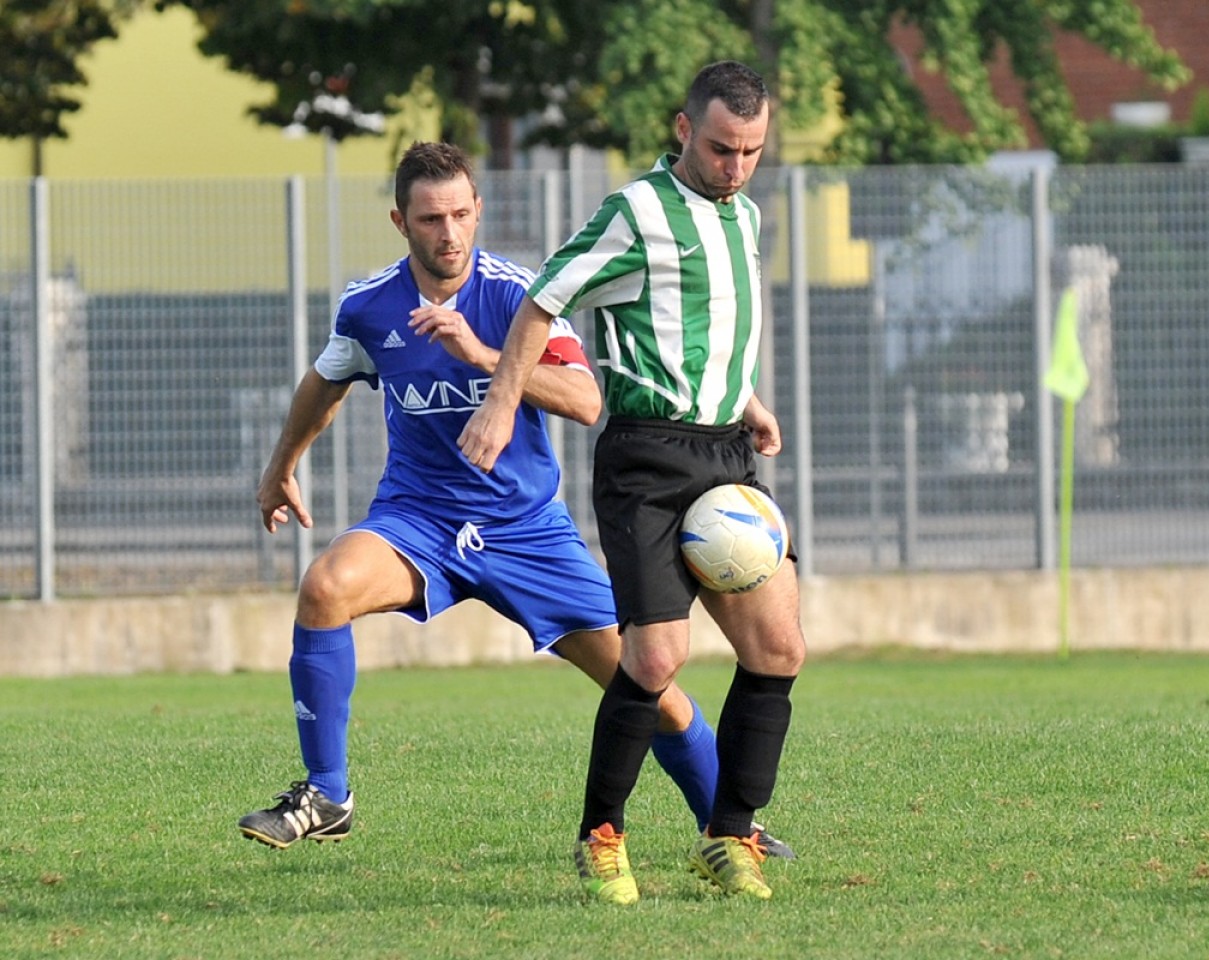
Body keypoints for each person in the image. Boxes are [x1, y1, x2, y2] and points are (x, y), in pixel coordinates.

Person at [237, 141, 792, 864]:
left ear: (479, 212)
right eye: (432, 218)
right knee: (324, 587)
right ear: (400, 221)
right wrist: (281, 466)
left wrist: (481, 356)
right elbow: (326, 380)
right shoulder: (369, 306)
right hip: (419, 522)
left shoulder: (514, 295)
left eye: (462, 214)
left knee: (652, 683)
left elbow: (587, 398)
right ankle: (327, 793)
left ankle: (728, 826)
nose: (450, 233)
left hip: (527, 533)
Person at [463, 62, 806, 903]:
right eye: (722, 148)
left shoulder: (747, 214)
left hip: (727, 453)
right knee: (656, 653)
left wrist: (750, 400)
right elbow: (542, 301)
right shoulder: (634, 212)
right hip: (648, 458)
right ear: (685, 130)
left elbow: (706, 323)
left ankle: (729, 836)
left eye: (752, 152)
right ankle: (601, 836)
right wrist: (502, 405)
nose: (736, 167)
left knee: (779, 647)